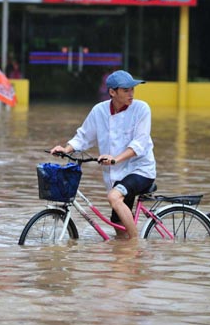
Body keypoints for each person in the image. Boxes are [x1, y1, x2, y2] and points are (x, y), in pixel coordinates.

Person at [50, 70, 156, 239]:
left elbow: (140, 144)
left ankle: (137, 245)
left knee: (114, 197)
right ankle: (125, 258)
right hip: (116, 175)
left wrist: (115, 159)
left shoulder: (141, 109)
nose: (131, 94)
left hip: (140, 170)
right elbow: (84, 136)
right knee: (120, 234)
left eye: (132, 89)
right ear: (112, 92)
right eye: (126, 90)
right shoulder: (99, 111)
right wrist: (66, 149)